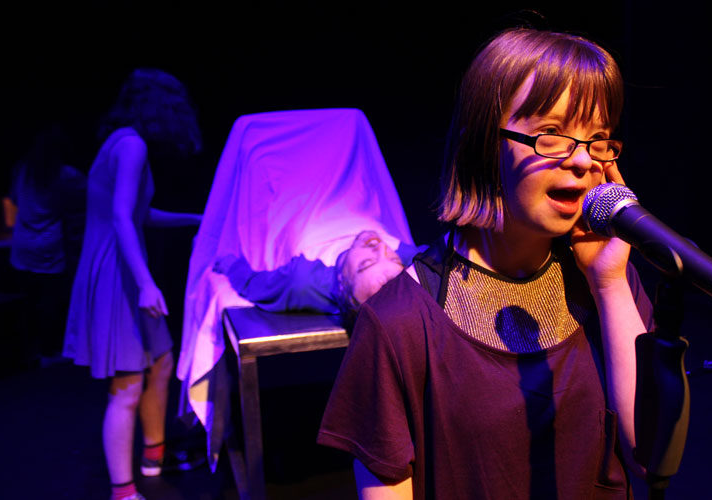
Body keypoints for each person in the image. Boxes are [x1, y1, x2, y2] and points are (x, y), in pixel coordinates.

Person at [317, 27, 655, 499]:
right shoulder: (400, 322)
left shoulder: (605, 281)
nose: (583, 161)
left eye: (597, 139)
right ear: (482, 144)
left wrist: (611, 284)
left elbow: (648, 455)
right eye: (552, 135)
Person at [63, 68, 204, 500]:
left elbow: (139, 214)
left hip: (125, 266)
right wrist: (145, 283)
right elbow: (122, 219)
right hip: (117, 273)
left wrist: (197, 219)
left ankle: (153, 458)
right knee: (125, 384)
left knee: (161, 361)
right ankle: (122, 492)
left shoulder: (125, 143)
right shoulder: (131, 144)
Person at [212, 229, 425, 324]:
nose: (380, 247)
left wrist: (232, 266)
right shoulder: (410, 260)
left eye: (365, 264)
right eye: (395, 260)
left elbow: (255, 284)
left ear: (342, 283)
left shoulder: (304, 280)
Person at [9, 122, 86, 366]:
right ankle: (48, 351)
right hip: (48, 243)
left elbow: (13, 198)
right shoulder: (64, 174)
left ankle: (32, 351)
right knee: (49, 299)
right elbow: (89, 194)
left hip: (22, 242)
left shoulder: (22, 170)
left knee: (30, 299)